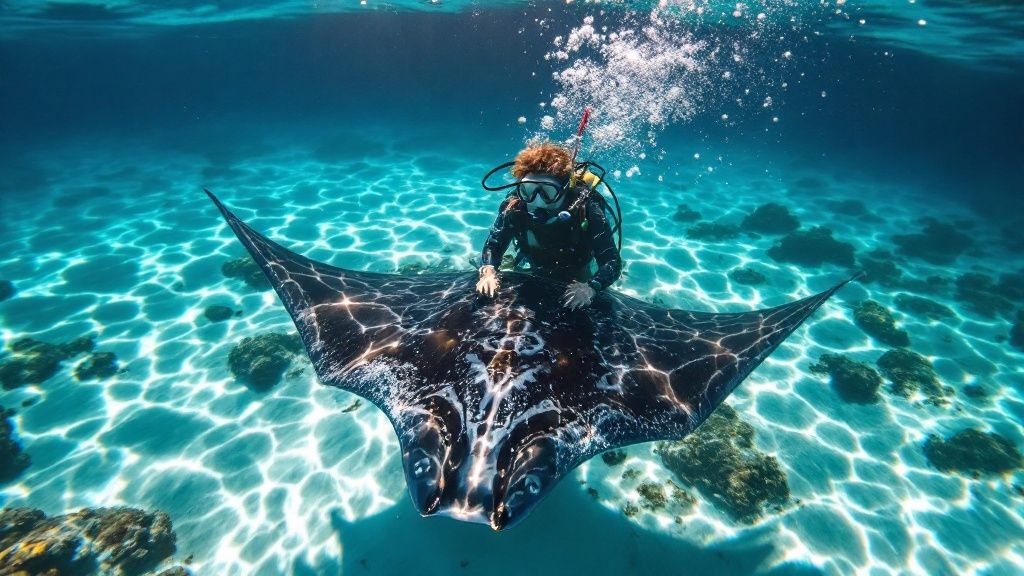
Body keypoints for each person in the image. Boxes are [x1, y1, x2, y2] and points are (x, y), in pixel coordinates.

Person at [476, 142, 621, 309]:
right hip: (533, 260)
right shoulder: (514, 207)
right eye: (528, 190)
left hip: (576, 268)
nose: (537, 200)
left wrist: (592, 287)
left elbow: (611, 261)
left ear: (565, 189)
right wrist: (488, 270)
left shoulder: (587, 210)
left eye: (548, 192)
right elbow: (494, 243)